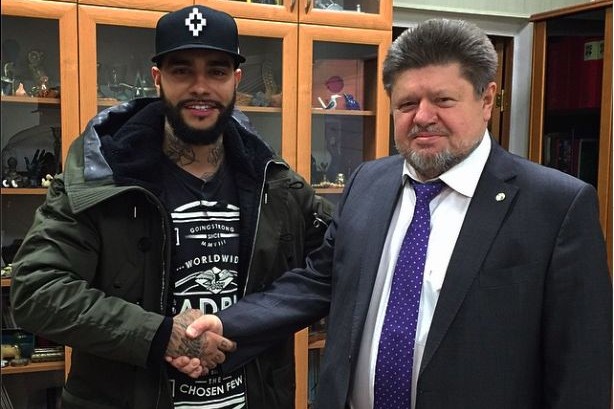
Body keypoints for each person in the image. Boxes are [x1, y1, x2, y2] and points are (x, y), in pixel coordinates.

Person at [170, 18, 613, 409]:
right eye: (406, 104)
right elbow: (318, 281)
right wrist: (226, 322)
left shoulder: (555, 206)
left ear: (486, 99)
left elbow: (582, 371)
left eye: (443, 100)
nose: (422, 117)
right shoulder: (369, 183)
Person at [10, 5, 332, 409]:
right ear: (157, 78)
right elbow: (36, 289)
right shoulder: (101, 176)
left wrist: (243, 322)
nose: (201, 87)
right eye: (182, 71)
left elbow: (336, 262)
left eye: (216, 71)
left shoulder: (275, 181)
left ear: (235, 80)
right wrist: (159, 335)